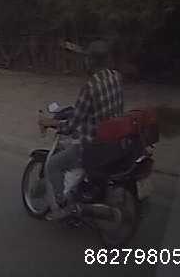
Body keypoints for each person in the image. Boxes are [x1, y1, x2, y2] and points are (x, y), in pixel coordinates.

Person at [38, 40, 123, 220]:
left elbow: (71, 126)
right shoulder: (116, 77)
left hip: (92, 147)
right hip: (115, 140)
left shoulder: (90, 87)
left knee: (53, 165)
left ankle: (63, 206)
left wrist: (50, 123)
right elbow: (99, 110)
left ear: (90, 61)